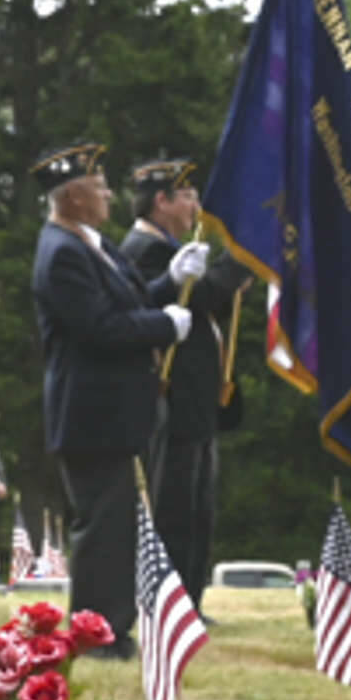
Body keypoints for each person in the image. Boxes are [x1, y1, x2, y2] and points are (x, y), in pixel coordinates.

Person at [31, 141, 200, 651]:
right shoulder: (61, 253)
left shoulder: (91, 243)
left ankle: (114, 624)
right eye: (98, 187)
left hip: (117, 409)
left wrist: (170, 282)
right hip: (92, 410)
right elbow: (99, 327)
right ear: (73, 198)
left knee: (123, 521)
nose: (108, 194)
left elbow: (129, 300)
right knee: (103, 525)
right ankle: (96, 631)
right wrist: (164, 326)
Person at [118, 157, 252, 611]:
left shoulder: (171, 248)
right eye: (189, 196)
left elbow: (210, 304)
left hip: (197, 402)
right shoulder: (145, 251)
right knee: (173, 509)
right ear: (162, 200)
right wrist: (242, 256)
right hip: (171, 400)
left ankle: (190, 601)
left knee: (198, 510)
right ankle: (169, 603)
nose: (197, 207)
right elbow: (201, 295)